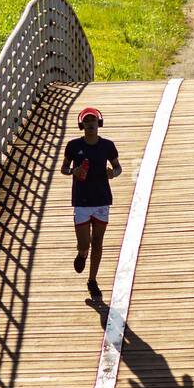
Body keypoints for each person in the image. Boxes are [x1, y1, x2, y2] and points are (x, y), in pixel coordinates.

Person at [61, 106, 122, 300]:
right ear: (82, 125)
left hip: (102, 199)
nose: (90, 125)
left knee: (97, 241)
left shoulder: (108, 146)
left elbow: (118, 167)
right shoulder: (72, 146)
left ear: (99, 124)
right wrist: (73, 172)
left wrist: (113, 173)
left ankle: (92, 280)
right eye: (86, 122)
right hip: (81, 200)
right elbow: (63, 168)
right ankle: (82, 254)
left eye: (93, 121)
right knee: (84, 242)